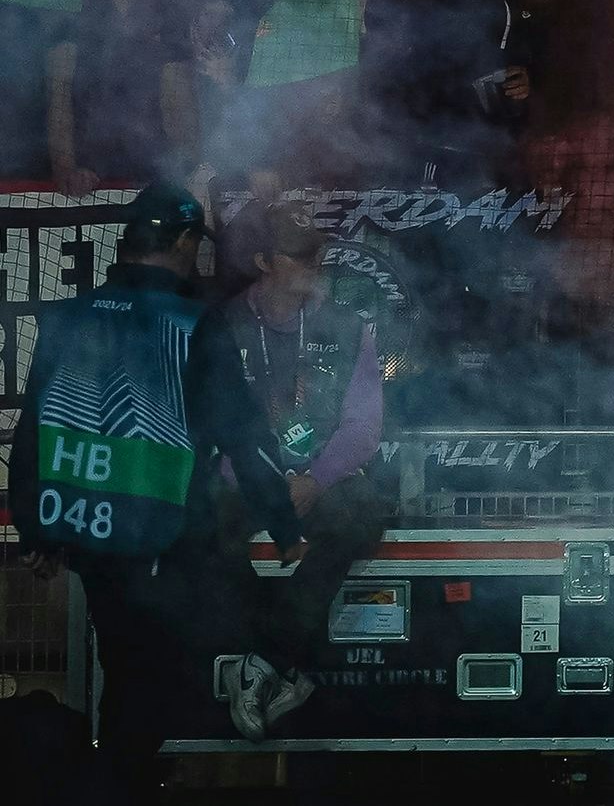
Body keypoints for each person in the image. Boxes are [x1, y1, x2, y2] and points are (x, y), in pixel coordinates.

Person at [21, 187, 318, 784]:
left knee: (126, 679)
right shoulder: (194, 323)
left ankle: (117, 784)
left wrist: (38, 530)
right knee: (147, 695)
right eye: (194, 244)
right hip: (162, 538)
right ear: (183, 242)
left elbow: (35, 428)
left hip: (89, 538)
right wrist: (284, 523)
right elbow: (244, 435)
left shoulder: (70, 315)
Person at [214, 208, 399, 663]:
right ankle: (257, 654)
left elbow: (363, 426)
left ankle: (268, 661)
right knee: (202, 525)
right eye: (298, 255)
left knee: (362, 515)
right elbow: (211, 421)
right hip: (248, 479)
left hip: (322, 478)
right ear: (262, 261)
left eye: (316, 254)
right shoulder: (223, 324)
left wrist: (315, 481)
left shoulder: (348, 326)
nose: (313, 264)